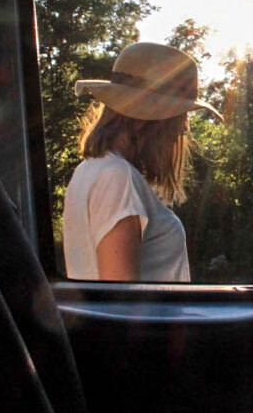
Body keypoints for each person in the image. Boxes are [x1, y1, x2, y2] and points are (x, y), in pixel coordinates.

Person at [63, 42, 223, 282]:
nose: (184, 130)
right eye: (179, 117)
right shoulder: (118, 178)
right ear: (148, 119)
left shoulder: (90, 170)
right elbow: (121, 298)